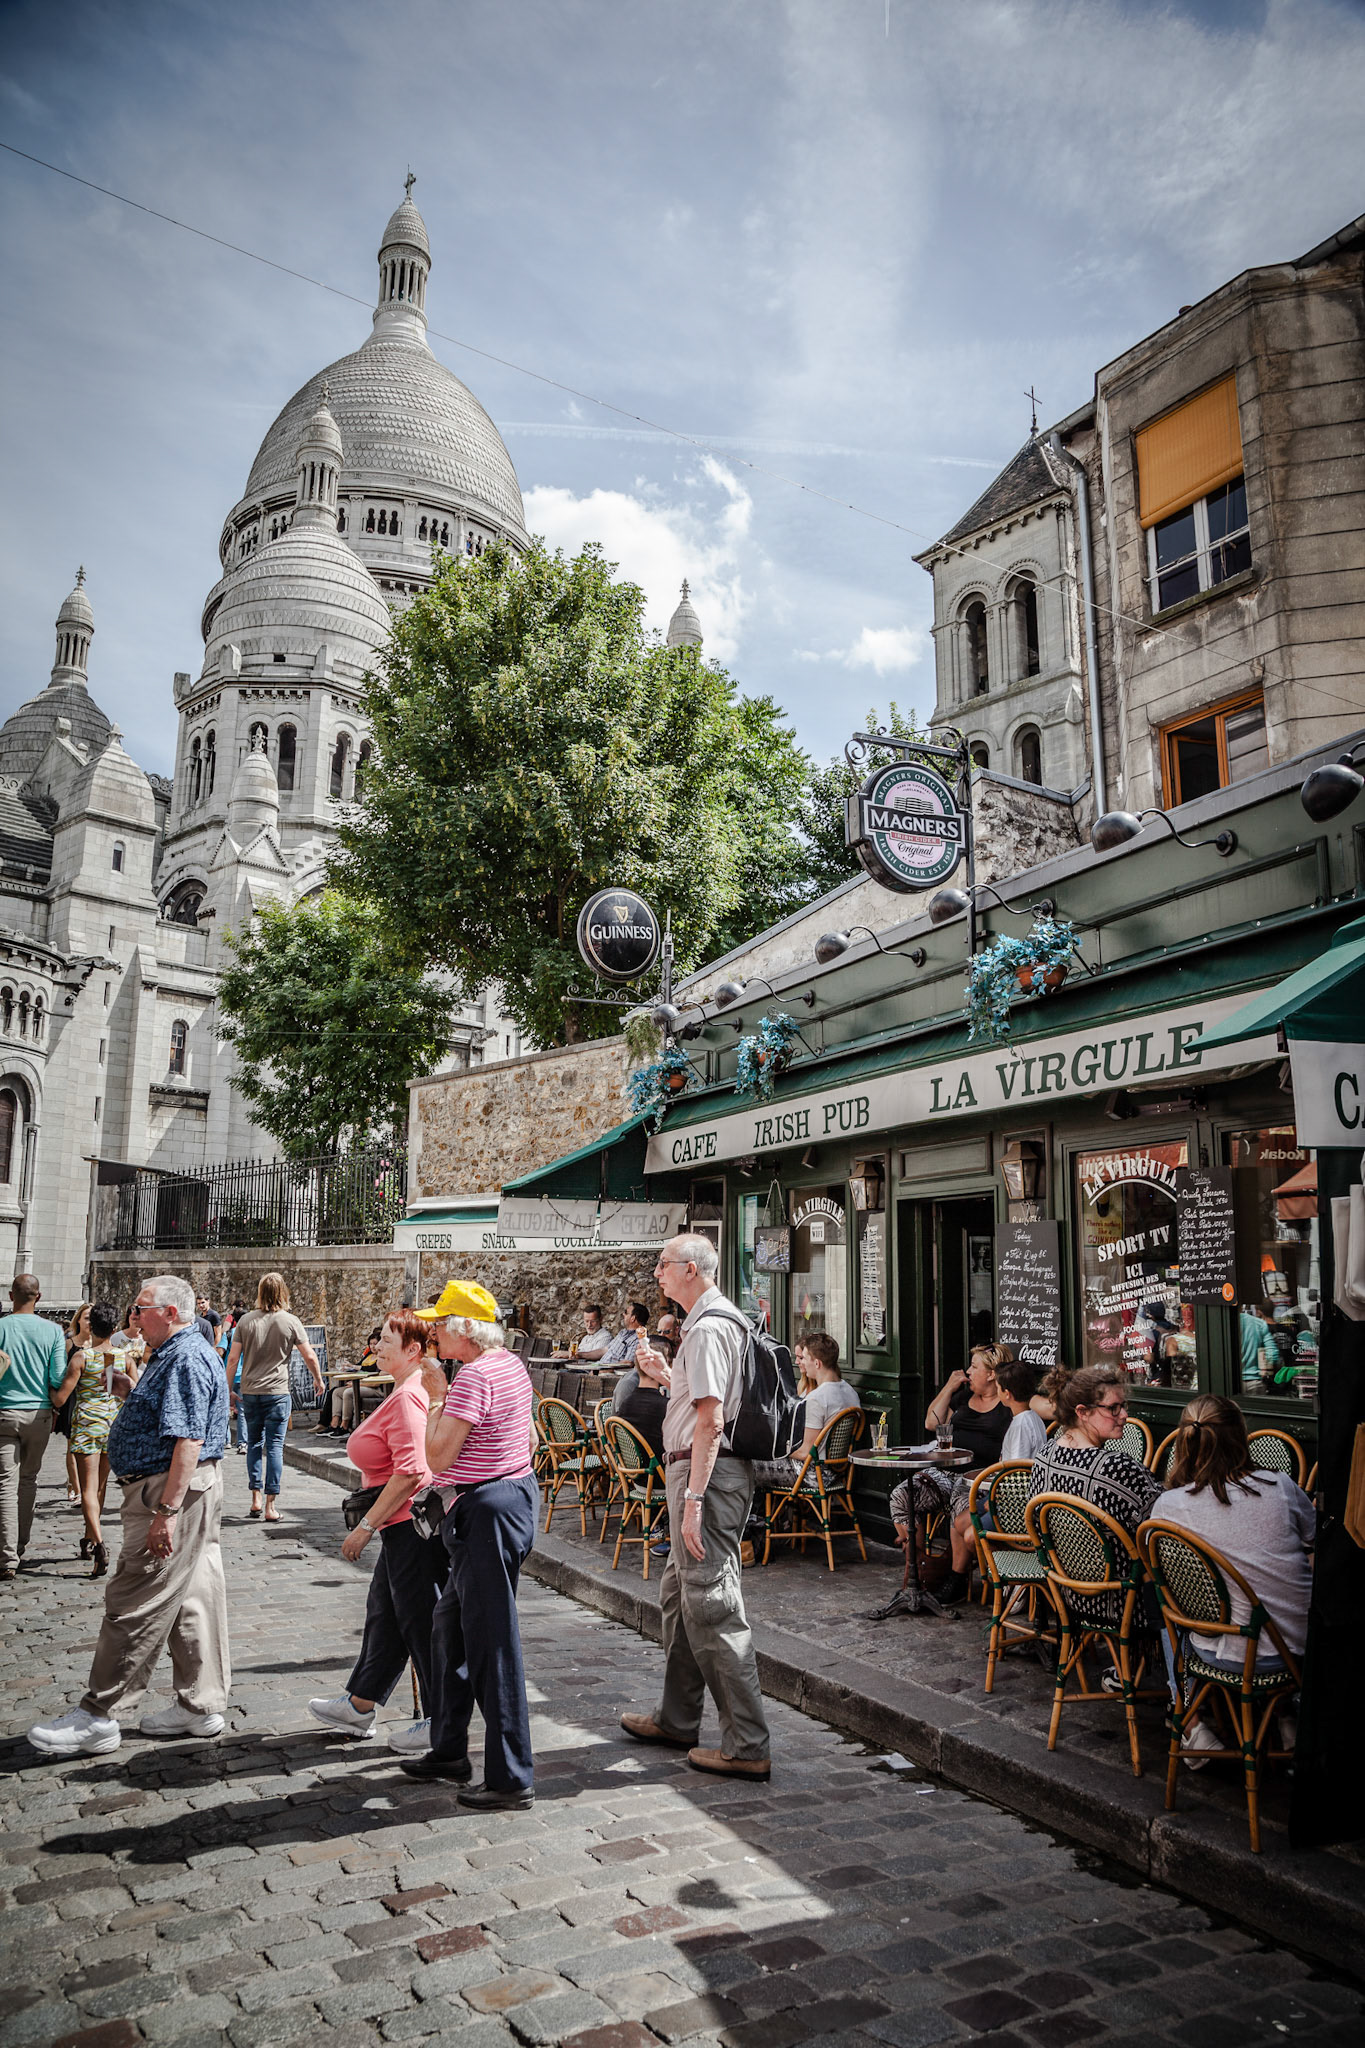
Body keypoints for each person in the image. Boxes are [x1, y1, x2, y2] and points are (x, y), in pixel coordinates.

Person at [27, 1275, 230, 1756]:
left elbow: (189, 1440)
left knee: (133, 1596)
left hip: (167, 1488)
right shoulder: (175, 1354)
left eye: (142, 1309)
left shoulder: (183, 1355)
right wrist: (132, 1392)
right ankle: (200, 1705)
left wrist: (166, 1511)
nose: (133, 1316)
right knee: (193, 1596)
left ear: (171, 1313)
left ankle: (100, 1714)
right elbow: (174, 1422)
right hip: (176, 1486)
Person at [620, 1233, 771, 1781]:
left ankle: (747, 1744)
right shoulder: (717, 1323)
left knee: (712, 1605)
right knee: (680, 1597)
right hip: (700, 1468)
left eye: (662, 1264)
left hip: (705, 1473)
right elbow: (702, 1405)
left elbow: (711, 1423)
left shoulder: (708, 1328)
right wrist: (665, 1378)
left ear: (689, 1269)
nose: (656, 1272)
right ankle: (678, 1717)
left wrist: (692, 1500)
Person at [399, 1280, 539, 1811]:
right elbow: (526, 1437)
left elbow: (436, 1457)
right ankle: (449, 1748)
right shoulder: (509, 1364)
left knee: (491, 1644)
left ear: (463, 1330)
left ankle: (510, 1776)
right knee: (449, 1627)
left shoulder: (471, 1378)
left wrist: (436, 1395)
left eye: (439, 1323)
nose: (431, 1331)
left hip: (486, 1512)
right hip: (507, 1498)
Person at [308, 1310, 449, 1752]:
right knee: (385, 1618)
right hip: (400, 1527)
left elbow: (411, 1472)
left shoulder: (409, 1397)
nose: (378, 1346)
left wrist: (365, 1528)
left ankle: (439, 1719)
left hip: (410, 1528)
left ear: (413, 1350)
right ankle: (360, 1704)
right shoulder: (404, 1390)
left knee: (421, 1624)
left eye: (387, 1340)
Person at [1148, 1393, 1313, 1766]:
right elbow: (1313, 1537)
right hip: (1299, 1649)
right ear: (1241, 1437)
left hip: (1231, 1653)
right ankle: (1285, 1713)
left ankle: (1189, 1720)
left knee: (1163, 1599)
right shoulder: (1280, 1487)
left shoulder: (1170, 1506)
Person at [1027, 1363, 1162, 1641]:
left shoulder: (1044, 1455)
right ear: (1082, 1412)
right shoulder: (1115, 1467)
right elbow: (1165, 1521)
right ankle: (1185, 1673)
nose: (1124, 1415)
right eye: (1113, 1408)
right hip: (1124, 1598)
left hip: (1067, 1595)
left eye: (1124, 1406)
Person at [890, 1343, 1013, 1604]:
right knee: (903, 1494)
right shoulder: (962, 1398)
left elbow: (1041, 1408)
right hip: (946, 1472)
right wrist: (948, 1387)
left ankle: (956, 1577)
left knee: (961, 1504)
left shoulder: (1008, 1403)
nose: (968, 1371)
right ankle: (919, 1566)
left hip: (978, 1479)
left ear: (991, 1374)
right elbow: (931, 1423)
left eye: (974, 1367)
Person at [225, 1273, 323, 1520]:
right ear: (284, 1293)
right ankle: (270, 1506)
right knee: (275, 1446)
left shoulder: (245, 1321)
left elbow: (233, 1358)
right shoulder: (290, 1321)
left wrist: (227, 1390)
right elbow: (310, 1355)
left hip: (250, 1392)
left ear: (260, 1293)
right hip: (277, 1392)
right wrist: (318, 1379)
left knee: (254, 1445)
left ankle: (256, 1498)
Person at [53, 1303, 134, 1577]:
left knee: (87, 1489)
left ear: (91, 1326)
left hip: (87, 1425)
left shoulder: (82, 1358)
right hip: (113, 1426)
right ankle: (89, 1536)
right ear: (114, 1328)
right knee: (99, 1488)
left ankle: (98, 1544)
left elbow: (61, 1398)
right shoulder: (125, 1359)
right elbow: (134, 1396)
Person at [0, 1273, 67, 1580]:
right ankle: (20, 1545)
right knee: (28, 1480)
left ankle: (7, 1555)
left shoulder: (0, 1327)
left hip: (4, 1411)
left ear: (10, 1295)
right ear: (38, 1297)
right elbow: (56, 1378)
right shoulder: (53, 1331)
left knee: (5, 1484)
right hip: (38, 1413)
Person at [997, 1358, 1047, 1462]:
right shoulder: (1034, 1416)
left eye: (997, 1387)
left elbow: (1017, 1467)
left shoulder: (1020, 1426)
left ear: (1007, 1394)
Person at [602, 1301, 649, 1367]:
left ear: (633, 1318)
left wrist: (600, 1370)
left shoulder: (639, 1338)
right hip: (598, 1368)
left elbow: (627, 1363)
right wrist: (583, 1355)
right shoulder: (623, 1332)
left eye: (626, 1312)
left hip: (607, 1374)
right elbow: (605, 1349)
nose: (623, 1314)